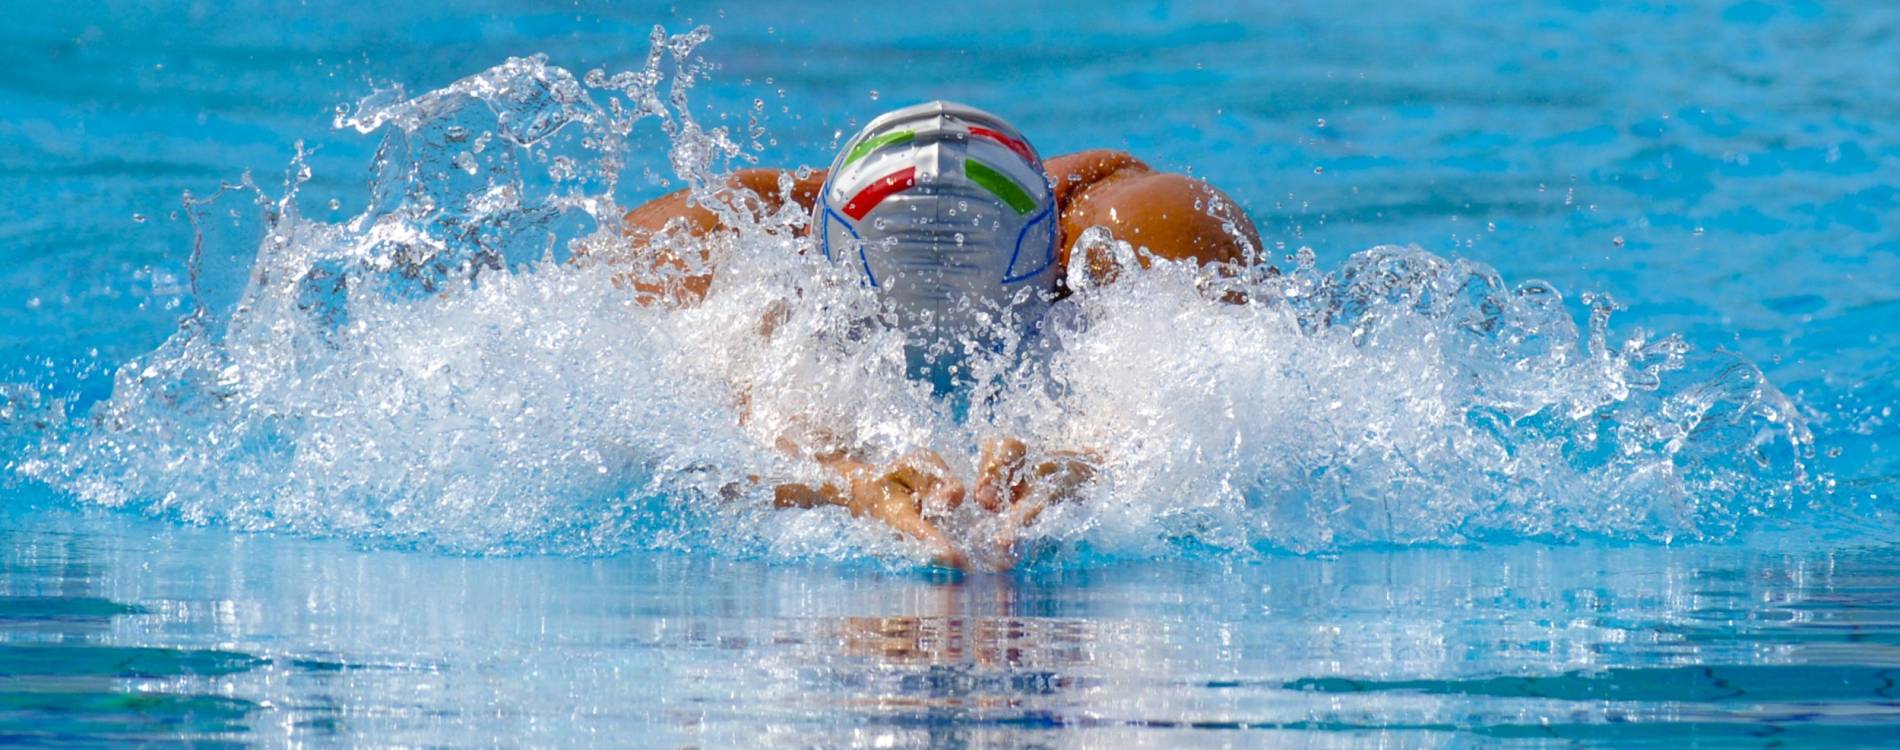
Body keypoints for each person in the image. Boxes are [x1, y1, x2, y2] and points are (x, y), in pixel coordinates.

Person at [604, 101, 1262, 569]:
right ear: (811, 256)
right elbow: (651, 411)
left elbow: (1237, 394)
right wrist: (837, 476)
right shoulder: (702, 241)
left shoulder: (1154, 226)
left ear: (1056, 257)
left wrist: (1096, 460)